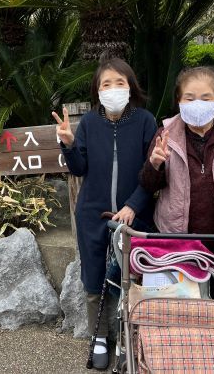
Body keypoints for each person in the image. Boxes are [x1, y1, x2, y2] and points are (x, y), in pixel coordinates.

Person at [52, 55, 157, 370]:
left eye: (119, 83)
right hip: (91, 213)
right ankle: (99, 337)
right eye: (106, 84)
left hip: (133, 215)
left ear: (130, 87)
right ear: (97, 90)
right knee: (94, 276)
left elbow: (152, 174)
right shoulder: (89, 123)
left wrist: (133, 206)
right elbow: (79, 168)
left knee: (134, 276)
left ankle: (131, 335)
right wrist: (69, 144)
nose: (113, 89)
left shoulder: (145, 121)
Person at [139, 66, 214, 301]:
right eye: (189, 98)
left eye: (206, 98)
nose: (197, 103)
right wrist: (154, 164)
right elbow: (148, 186)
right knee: (177, 307)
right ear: (178, 100)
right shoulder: (165, 133)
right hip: (175, 239)